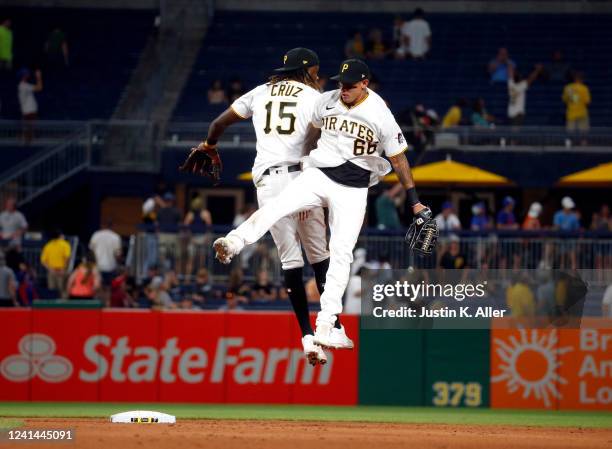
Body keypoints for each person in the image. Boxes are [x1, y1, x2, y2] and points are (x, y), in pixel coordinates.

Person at [212, 58, 435, 349]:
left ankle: (328, 325)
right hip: (319, 175)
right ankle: (232, 243)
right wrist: (302, 163)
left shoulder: (380, 113)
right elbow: (311, 130)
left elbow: (399, 159)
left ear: (364, 84)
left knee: (341, 254)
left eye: (350, 85)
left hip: (352, 190)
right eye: (340, 83)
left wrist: (415, 203)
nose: (343, 89)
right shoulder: (326, 101)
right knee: (276, 206)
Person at [180, 48, 331, 366]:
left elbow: (218, 123)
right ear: (307, 71)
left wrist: (209, 145)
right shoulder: (314, 96)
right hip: (298, 174)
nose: (317, 77)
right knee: (319, 259)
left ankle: (306, 336)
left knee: (290, 260)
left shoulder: (261, 92)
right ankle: (327, 328)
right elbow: (315, 140)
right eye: (315, 72)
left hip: (265, 181)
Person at [89, 221, 122, 303]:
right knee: (108, 288)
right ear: (112, 226)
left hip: (98, 266)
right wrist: (119, 265)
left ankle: (97, 305)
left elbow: (91, 251)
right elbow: (118, 254)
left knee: (97, 286)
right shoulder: (115, 237)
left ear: (103, 226)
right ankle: (107, 305)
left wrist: (94, 262)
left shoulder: (96, 235)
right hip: (110, 266)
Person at [40, 229, 71, 298]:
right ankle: (64, 307)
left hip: (52, 271)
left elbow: (43, 261)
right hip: (62, 271)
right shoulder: (65, 244)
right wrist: (64, 268)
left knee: (52, 291)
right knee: (63, 290)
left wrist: (50, 269)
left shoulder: (48, 245)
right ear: (60, 236)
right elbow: (67, 258)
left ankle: (52, 307)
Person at [18, 69, 43, 144]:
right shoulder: (23, 86)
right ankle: (27, 144)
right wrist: (38, 77)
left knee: (29, 131)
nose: (27, 75)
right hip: (28, 112)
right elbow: (39, 88)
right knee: (28, 131)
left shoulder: (24, 85)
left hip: (29, 112)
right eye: (25, 74)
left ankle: (28, 142)